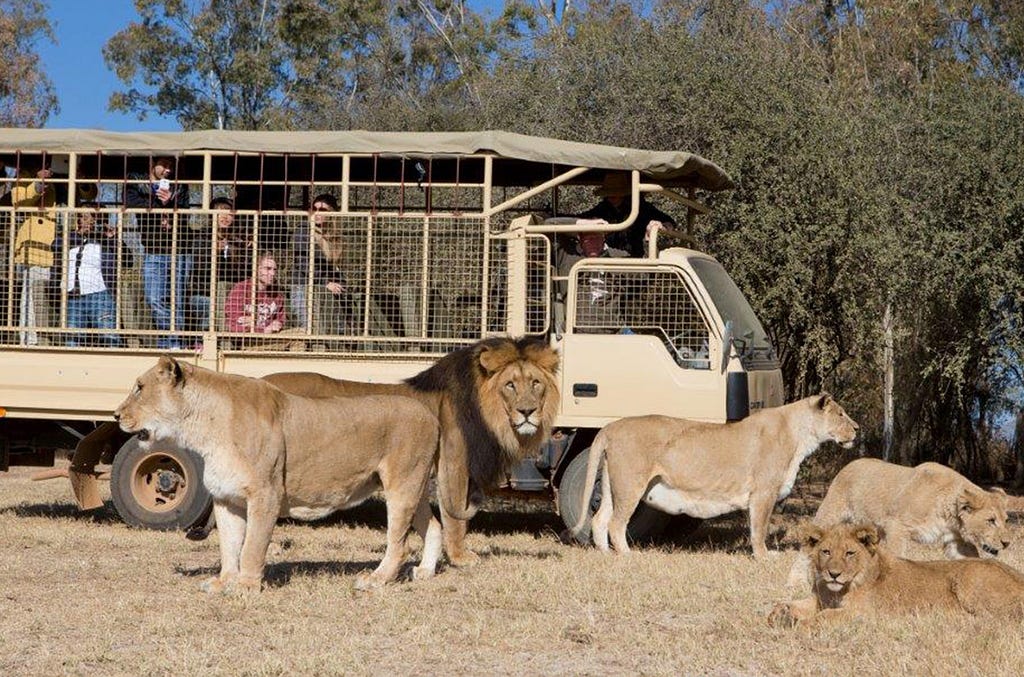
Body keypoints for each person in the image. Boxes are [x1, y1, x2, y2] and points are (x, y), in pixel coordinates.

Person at [126, 155, 192, 349]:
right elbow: (131, 202)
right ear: (152, 164)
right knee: (154, 298)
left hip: (179, 250)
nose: (168, 170)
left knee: (176, 300)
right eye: (164, 165)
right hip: (153, 250)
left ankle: (173, 345)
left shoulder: (180, 185)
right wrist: (158, 203)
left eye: (171, 166)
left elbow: (186, 209)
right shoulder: (136, 180)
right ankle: (170, 341)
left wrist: (171, 202)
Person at [57, 204, 125, 347]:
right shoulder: (69, 239)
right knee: (73, 340)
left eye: (93, 218)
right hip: (73, 297)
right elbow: (55, 245)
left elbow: (127, 260)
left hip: (100, 295)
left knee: (109, 336)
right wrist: (79, 234)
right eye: (85, 217)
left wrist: (113, 238)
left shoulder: (105, 242)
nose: (89, 221)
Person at [579, 172, 683, 257]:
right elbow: (580, 219)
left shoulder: (641, 207)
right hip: (611, 258)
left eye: (616, 192)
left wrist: (660, 226)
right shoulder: (602, 208)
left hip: (637, 257)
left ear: (625, 193)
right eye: (608, 193)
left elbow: (668, 221)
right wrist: (589, 222)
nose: (611, 196)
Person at [189, 196, 252, 333]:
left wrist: (245, 250)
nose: (225, 217)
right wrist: (215, 253)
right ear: (212, 215)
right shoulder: (201, 237)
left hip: (231, 295)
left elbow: (243, 273)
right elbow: (199, 268)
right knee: (212, 307)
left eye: (229, 212)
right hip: (203, 293)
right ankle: (204, 342)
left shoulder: (238, 241)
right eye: (220, 212)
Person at [554, 222, 629, 333]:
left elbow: (645, 275)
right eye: (588, 238)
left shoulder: (617, 256)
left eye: (596, 237)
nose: (592, 242)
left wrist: (648, 241)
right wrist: (579, 222)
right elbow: (549, 224)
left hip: (612, 331)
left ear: (603, 238)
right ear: (580, 239)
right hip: (575, 330)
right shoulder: (567, 257)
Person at [12, 162, 57, 346]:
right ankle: (31, 340)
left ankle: (49, 337)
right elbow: (18, 199)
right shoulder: (25, 174)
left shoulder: (65, 174)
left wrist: (83, 180)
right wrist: (39, 183)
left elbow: (89, 193)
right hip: (39, 247)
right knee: (32, 297)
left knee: (52, 298)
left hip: (66, 244)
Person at [289, 193, 347, 335]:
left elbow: (333, 267)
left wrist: (340, 282)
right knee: (309, 329)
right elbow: (303, 263)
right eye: (314, 209)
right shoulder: (303, 231)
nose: (317, 213)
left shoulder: (333, 236)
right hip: (303, 287)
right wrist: (325, 282)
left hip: (323, 290)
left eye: (323, 210)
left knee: (333, 328)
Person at [224, 252, 287, 334]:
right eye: (267, 269)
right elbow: (234, 324)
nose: (273, 273)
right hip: (248, 339)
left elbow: (281, 320)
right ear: (256, 269)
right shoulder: (241, 289)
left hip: (271, 337)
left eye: (274, 270)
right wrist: (264, 330)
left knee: (300, 333)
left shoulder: (277, 294)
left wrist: (278, 324)